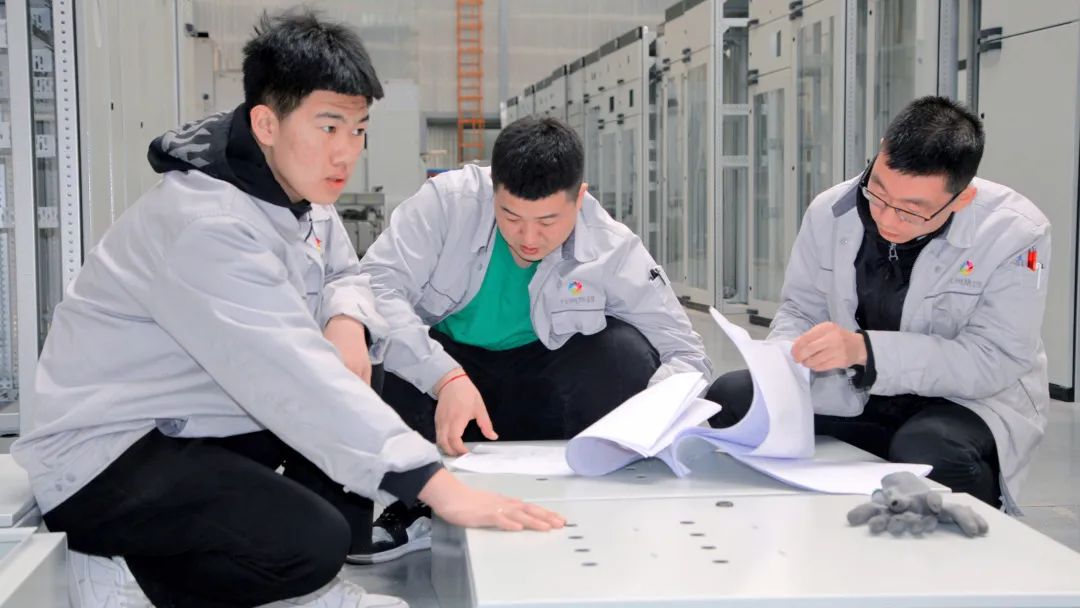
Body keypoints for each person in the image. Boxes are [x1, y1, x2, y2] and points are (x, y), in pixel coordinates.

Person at [11, 10, 562, 608]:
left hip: (193, 422)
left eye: (358, 130)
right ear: (266, 123)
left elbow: (346, 274)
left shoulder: (296, 192)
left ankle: (300, 589)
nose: (346, 152)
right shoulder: (207, 223)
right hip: (105, 458)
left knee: (354, 370)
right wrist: (437, 488)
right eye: (328, 127)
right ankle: (126, 580)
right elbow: (294, 375)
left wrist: (345, 319)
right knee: (311, 539)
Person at [352, 116, 711, 563]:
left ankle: (590, 483)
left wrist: (646, 424)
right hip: (451, 390)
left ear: (579, 197)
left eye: (548, 221)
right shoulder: (446, 203)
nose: (528, 238)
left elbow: (685, 352)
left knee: (625, 354)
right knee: (372, 343)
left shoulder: (611, 245)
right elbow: (376, 288)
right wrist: (443, 376)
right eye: (511, 216)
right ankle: (417, 503)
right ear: (493, 190)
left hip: (544, 392)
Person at [705, 96, 1050, 512]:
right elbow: (800, 309)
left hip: (961, 402)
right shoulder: (830, 211)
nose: (887, 219)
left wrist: (865, 351)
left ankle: (969, 530)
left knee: (929, 452)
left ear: (961, 198)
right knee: (731, 396)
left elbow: (994, 359)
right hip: (851, 389)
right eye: (879, 194)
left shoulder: (1015, 233)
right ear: (881, 151)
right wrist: (785, 361)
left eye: (912, 212)